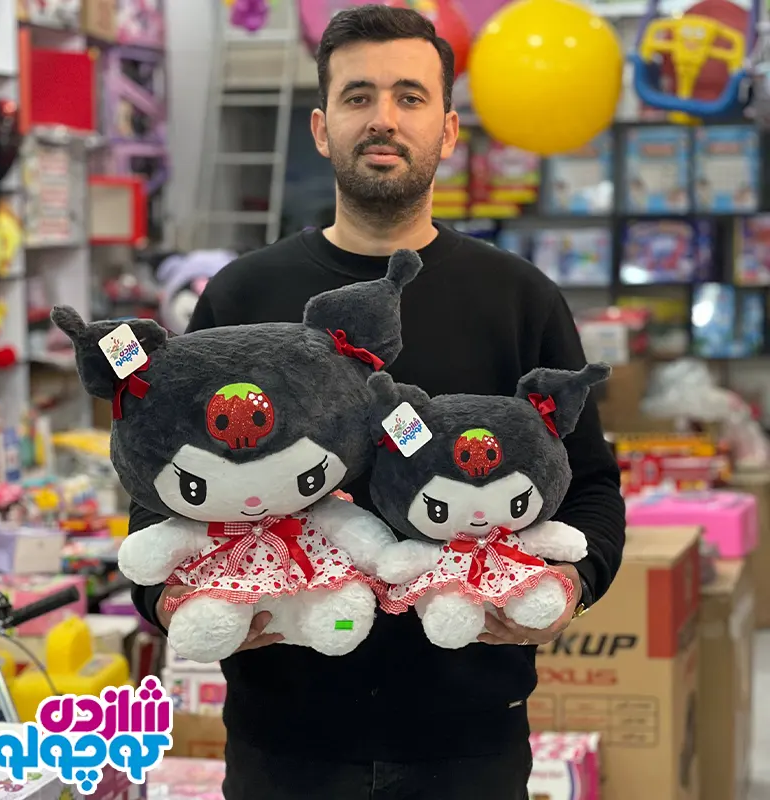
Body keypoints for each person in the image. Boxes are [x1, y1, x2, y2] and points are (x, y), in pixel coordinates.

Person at [129, 5, 626, 798]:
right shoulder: (241, 295)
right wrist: (166, 597)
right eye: (358, 96)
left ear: (448, 130)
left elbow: (592, 483)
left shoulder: (517, 298)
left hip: (468, 740)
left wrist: (575, 583)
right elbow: (160, 481)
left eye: (409, 96)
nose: (383, 118)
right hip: (283, 742)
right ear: (322, 129)